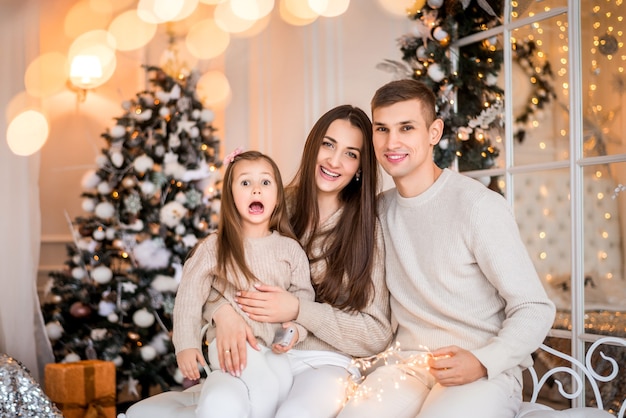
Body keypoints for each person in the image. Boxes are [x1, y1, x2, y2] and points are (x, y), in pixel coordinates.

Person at [124, 105, 392, 418]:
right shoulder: (271, 199)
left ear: (360, 166)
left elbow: (376, 334)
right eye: (328, 144)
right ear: (313, 147)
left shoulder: (366, 229)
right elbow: (215, 269)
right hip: (260, 352)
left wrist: (298, 310)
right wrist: (222, 313)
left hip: (324, 362)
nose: (334, 161)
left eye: (350, 153)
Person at [337, 79, 557, 418]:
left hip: (480, 370)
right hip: (407, 367)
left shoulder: (478, 206)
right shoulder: (378, 210)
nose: (392, 142)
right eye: (382, 129)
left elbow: (533, 307)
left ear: (434, 132)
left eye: (406, 128)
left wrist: (484, 361)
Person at [174, 150, 315, 418]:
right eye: (245, 183)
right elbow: (189, 297)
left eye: (265, 182)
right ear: (230, 195)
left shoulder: (290, 249)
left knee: (283, 382)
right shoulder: (215, 246)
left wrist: (294, 331)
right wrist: (186, 344)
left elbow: (303, 300)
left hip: (274, 347)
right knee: (264, 385)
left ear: (277, 196)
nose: (256, 191)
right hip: (232, 344)